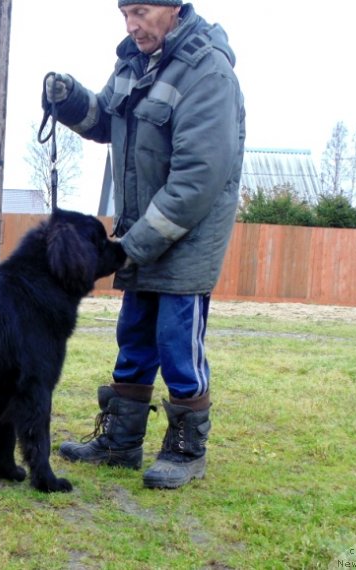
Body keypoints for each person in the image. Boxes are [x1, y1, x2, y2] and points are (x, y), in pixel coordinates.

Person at [43, 0, 245, 489]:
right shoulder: (133, 64)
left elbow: (197, 179)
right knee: (133, 337)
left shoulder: (208, 72)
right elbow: (104, 121)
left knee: (178, 345)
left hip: (186, 238)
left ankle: (186, 449)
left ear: (173, 7)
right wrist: (69, 100)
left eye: (141, 11)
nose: (132, 25)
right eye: (124, 15)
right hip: (141, 229)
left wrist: (133, 243)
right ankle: (121, 442)